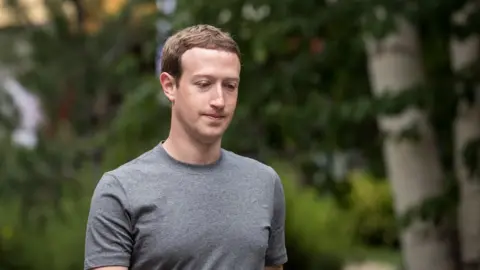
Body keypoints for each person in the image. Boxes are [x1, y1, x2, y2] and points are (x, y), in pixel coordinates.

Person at [84, 24, 288, 270]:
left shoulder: (264, 183)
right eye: (204, 84)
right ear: (169, 86)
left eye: (230, 86)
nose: (219, 101)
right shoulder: (120, 190)